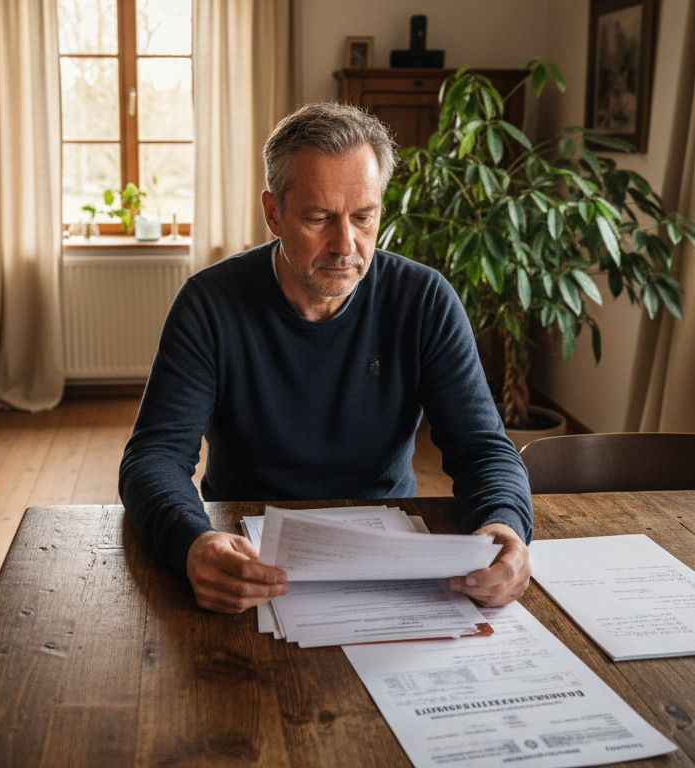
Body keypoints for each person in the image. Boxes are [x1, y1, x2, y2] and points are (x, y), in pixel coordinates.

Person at [119, 103, 532, 615]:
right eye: (319, 218)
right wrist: (191, 542)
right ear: (273, 213)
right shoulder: (210, 304)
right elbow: (154, 457)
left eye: (364, 218)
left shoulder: (424, 300)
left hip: (387, 548)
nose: (346, 245)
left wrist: (503, 527)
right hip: (245, 549)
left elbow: (483, 449)